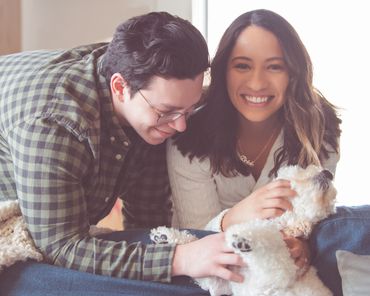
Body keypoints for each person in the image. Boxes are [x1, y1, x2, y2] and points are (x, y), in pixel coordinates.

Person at [0, 11, 245, 294]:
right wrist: (180, 259)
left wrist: (183, 257)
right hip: (19, 230)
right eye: (167, 112)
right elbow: (60, 246)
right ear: (119, 87)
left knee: (202, 261)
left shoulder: (143, 89)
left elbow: (148, 220)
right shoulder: (55, 122)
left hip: (53, 231)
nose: (180, 125)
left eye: (188, 110)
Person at [167, 9, 341, 271]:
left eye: (274, 67)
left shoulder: (320, 130)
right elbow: (195, 237)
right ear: (223, 70)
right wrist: (235, 217)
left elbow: (314, 213)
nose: (257, 83)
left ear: (292, 73)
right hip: (206, 268)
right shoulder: (189, 136)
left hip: (282, 269)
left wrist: (303, 244)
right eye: (242, 66)